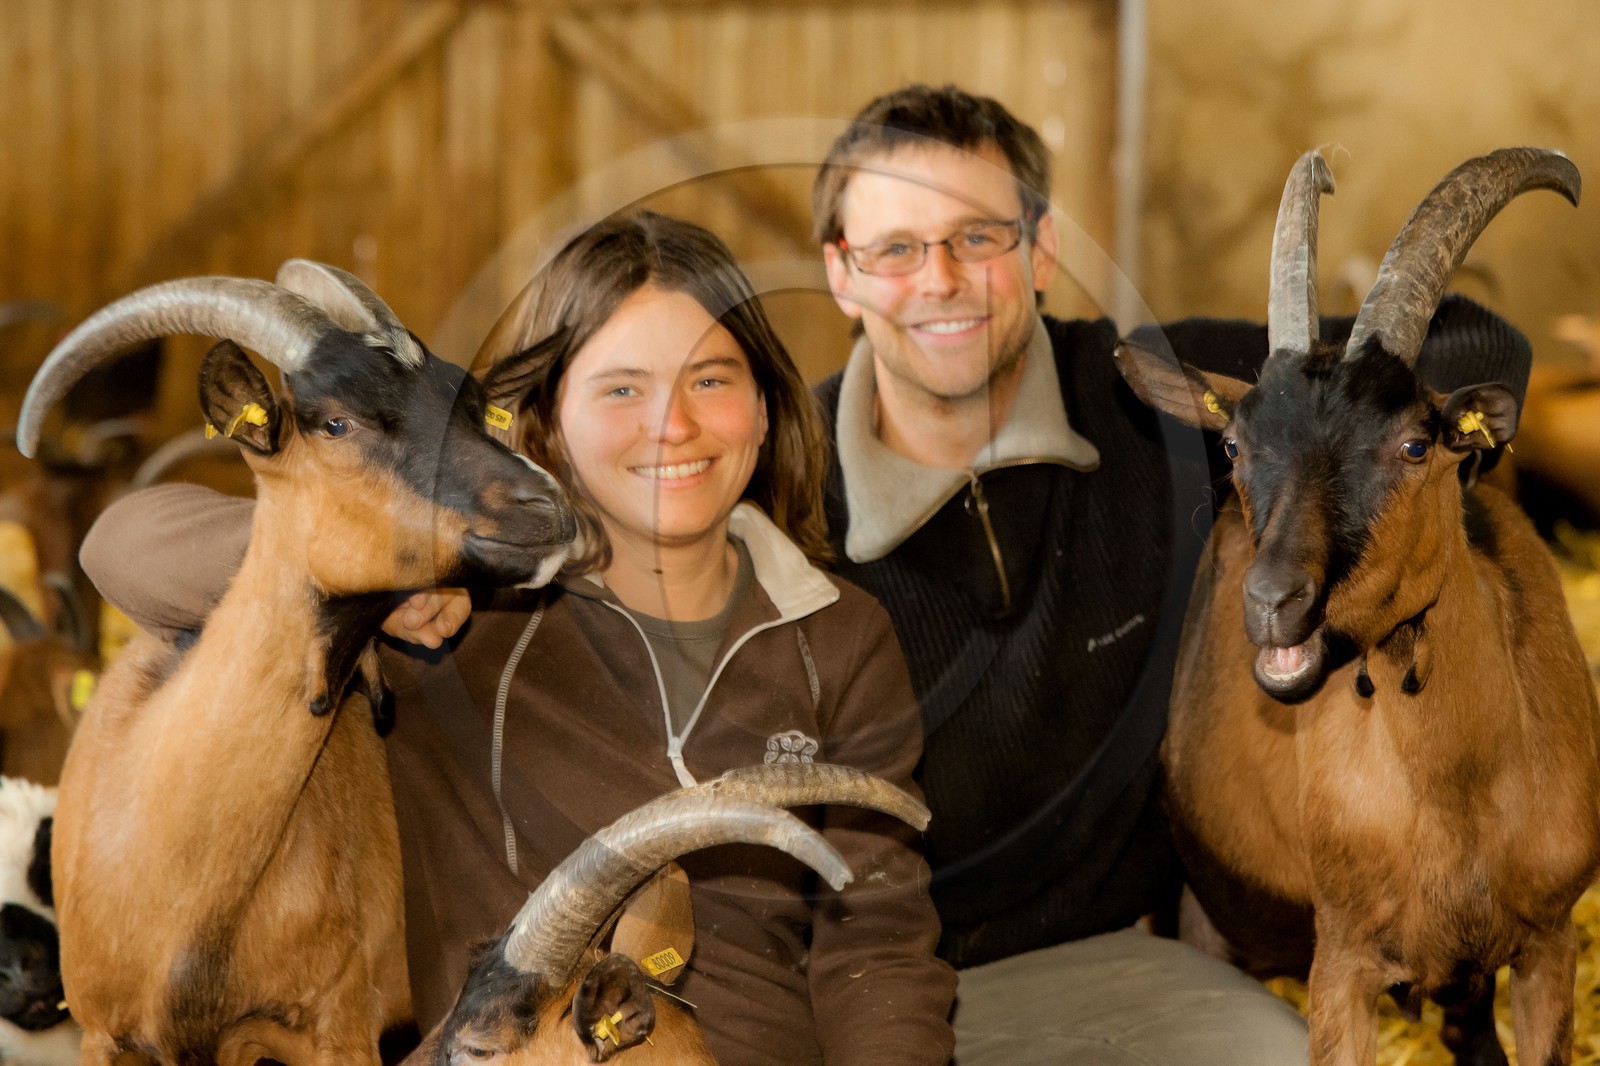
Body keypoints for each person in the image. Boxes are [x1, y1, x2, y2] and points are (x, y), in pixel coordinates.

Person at [79, 212, 957, 1066]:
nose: (673, 424)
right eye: (622, 388)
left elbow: (875, 944)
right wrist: (354, 565)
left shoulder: (839, 634)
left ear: (766, 411)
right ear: (542, 426)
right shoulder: (460, 621)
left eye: (713, 379)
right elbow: (119, 551)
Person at [809, 84, 1532, 1063]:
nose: (939, 278)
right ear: (839, 275)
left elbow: (1476, 341)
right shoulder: (789, 487)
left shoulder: (1149, 400)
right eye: (894, 248)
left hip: (1125, 966)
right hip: (878, 991)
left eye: (979, 235)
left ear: (1040, 250)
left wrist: (1360, 443)